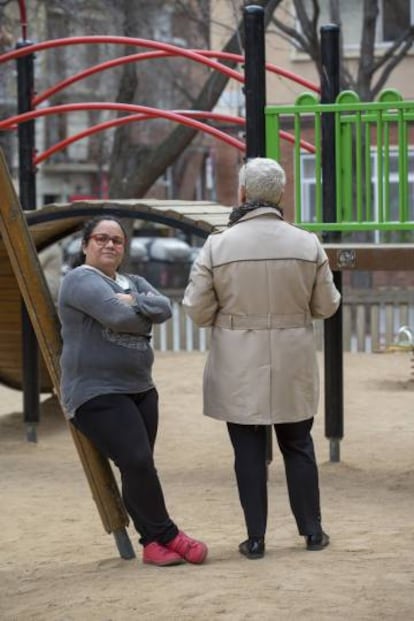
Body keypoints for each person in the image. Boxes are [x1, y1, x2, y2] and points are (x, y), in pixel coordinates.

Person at [182, 157, 341, 559]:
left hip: (238, 360)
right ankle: (312, 531)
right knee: (298, 444)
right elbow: (327, 305)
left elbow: (197, 310)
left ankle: (255, 539)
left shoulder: (219, 245)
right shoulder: (307, 242)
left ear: (242, 193)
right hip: (293, 358)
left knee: (248, 453)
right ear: (281, 194)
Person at [58, 215, 208, 567]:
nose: (110, 245)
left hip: (141, 389)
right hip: (96, 392)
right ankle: (169, 535)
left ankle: (151, 544)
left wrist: (132, 300)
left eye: (117, 240)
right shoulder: (80, 280)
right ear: (85, 245)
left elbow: (166, 308)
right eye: (101, 238)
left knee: (137, 467)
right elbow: (118, 317)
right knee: (137, 460)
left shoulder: (133, 280)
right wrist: (136, 305)